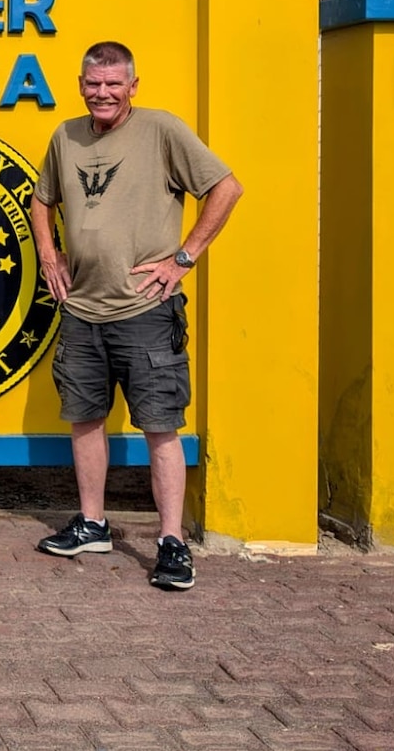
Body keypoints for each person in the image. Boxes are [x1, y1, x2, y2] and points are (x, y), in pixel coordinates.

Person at [31, 41, 242, 591]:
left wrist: (184, 257)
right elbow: (41, 199)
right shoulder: (66, 136)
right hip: (82, 309)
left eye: (113, 84)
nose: (103, 93)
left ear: (132, 85)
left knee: (160, 427)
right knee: (85, 417)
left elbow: (226, 187)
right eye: (93, 83)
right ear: (80, 84)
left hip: (146, 310)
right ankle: (93, 524)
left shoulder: (161, 131)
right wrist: (49, 255)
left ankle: (171, 543)